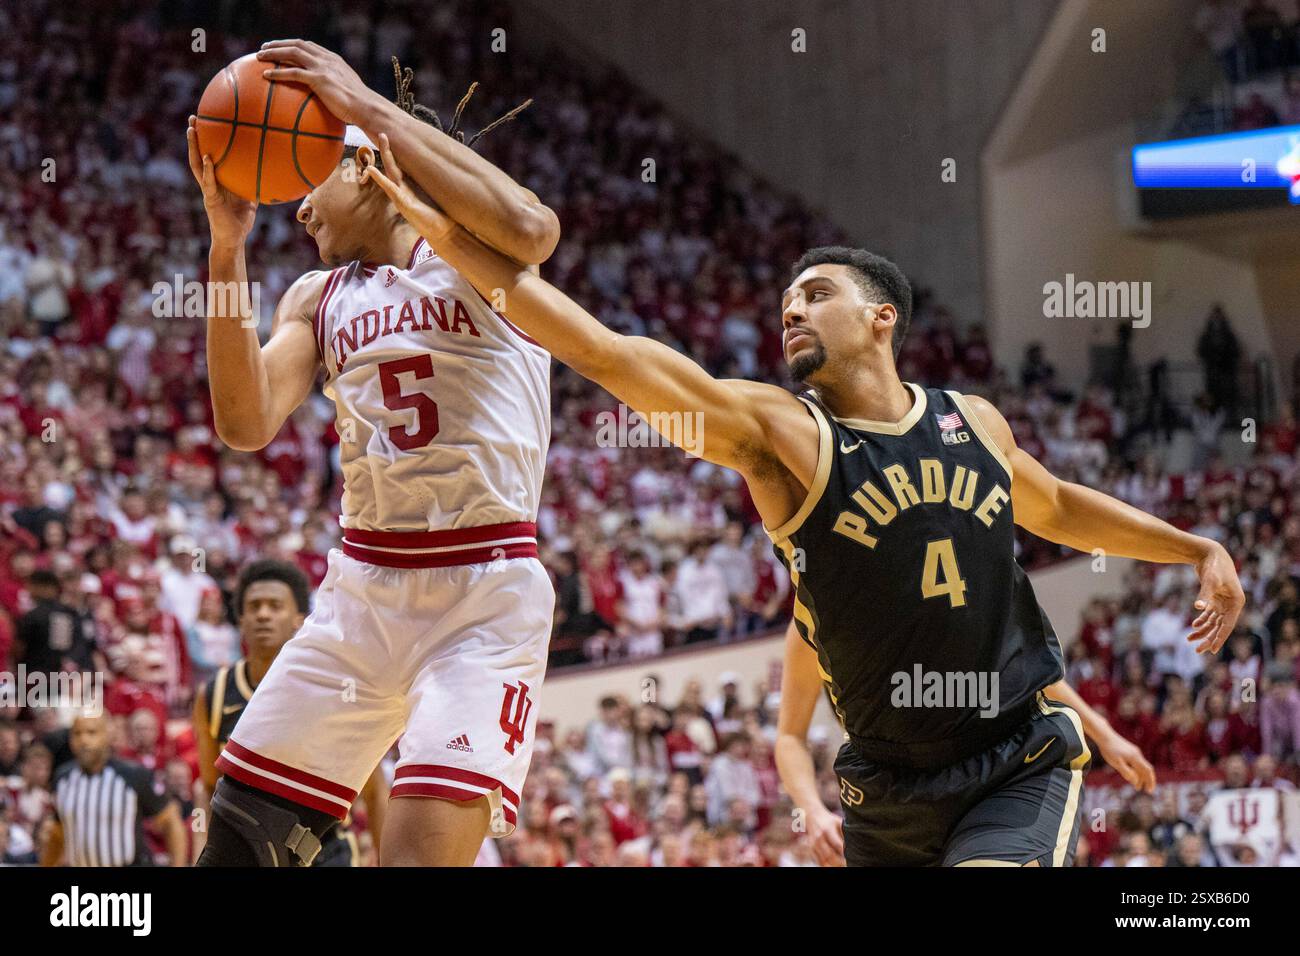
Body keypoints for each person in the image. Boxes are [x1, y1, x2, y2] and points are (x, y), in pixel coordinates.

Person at [363, 160, 1245, 866]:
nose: (791, 308)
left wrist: (1193, 545)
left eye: (816, 294)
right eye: (786, 301)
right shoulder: (783, 435)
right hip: (885, 784)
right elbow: (602, 351)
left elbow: (1056, 508)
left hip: (1014, 755)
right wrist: (445, 234)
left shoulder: (973, 420)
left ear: (880, 318)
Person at [187, 41, 559, 867]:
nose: (296, 210)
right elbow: (244, 423)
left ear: (361, 162)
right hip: (361, 593)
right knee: (240, 846)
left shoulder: (474, 252)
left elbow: (536, 226)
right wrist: (224, 247)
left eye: (307, 179)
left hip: (481, 598)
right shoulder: (315, 298)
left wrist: (362, 106)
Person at [192, 559, 386, 865]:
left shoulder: (332, 689)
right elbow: (207, 785)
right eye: (254, 606)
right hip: (250, 852)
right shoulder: (214, 694)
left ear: (299, 619)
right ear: (240, 620)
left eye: (275, 606)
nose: (263, 615)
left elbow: (373, 792)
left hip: (328, 852)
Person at [42, 712, 187, 866]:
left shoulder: (133, 775)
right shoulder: (62, 778)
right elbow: (57, 834)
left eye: (92, 732)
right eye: (77, 733)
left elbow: (171, 822)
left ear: (107, 735)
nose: (83, 740)